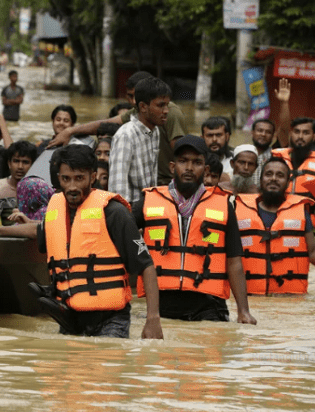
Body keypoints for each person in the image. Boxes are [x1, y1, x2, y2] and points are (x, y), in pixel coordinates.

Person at [0, 145, 163, 339]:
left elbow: (146, 265)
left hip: (109, 319)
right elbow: (39, 230)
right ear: (59, 179)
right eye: (66, 179)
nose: (72, 187)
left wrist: (153, 319)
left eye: (79, 178)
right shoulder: (56, 210)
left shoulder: (114, 212)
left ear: (92, 177)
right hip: (69, 317)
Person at [133, 135, 256, 324]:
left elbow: (234, 261)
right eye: (183, 161)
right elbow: (122, 239)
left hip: (208, 306)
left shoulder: (223, 204)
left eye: (196, 162)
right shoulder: (148, 201)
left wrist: (243, 310)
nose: (189, 168)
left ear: (206, 170)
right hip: (162, 305)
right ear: (173, 167)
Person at [48, 71, 187, 186]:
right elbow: (105, 124)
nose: (133, 101)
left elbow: (182, 154)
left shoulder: (170, 113)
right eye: (130, 96)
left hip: (168, 182)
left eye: (137, 96)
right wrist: (69, 131)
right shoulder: (135, 115)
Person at [234, 157, 315, 295]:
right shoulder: (237, 210)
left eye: (280, 175)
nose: (273, 179)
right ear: (260, 180)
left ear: (288, 182)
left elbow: (313, 253)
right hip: (250, 298)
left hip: (290, 300)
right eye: (268, 174)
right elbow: (220, 244)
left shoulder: (302, 213)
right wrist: (207, 237)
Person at [109, 77, 170, 203]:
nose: (166, 111)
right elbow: (117, 190)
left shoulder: (155, 131)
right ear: (143, 106)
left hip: (148, 206)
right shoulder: (125, 136)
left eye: (167, 105)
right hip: (131, 208)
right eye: (160, 105)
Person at [272, 116, 315, 199]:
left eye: (306, 133)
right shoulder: (277, 158)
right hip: (280, 209)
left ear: (313, 137)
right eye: (297, 132)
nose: (300, 137)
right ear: (291, 134)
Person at [251, 118, 279, 186]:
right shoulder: (242, 154)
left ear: (273, 136)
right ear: (252, 132)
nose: (263, 134)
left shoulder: (276, 155)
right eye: (260, 130)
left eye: (268, 132)